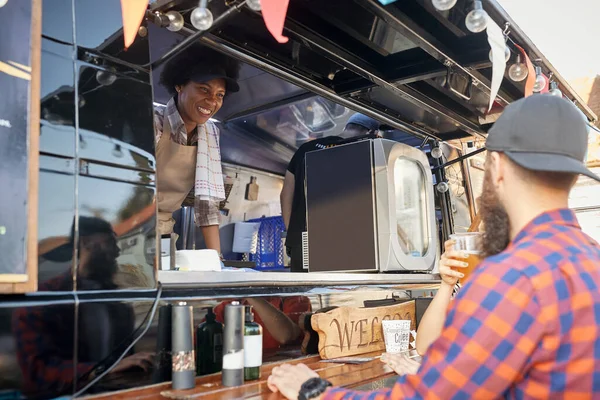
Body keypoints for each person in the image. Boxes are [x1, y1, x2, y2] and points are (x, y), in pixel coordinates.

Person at [267, 94, 600, 399]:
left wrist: (313, 390)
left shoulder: (511, 277)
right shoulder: (591, 258)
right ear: (573, 176)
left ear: (496, 167)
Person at [13, 217, 154, 398]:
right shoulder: (43, 297)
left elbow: (126, 361)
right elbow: (38, 370)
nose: (117, 251)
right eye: (110, 243)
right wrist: (101, 369)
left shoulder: (119, 304)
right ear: (86, 243)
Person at [155, 44, 240, 255]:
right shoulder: (153, 121)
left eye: (220, 95)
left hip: (164, 233)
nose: (212, 101)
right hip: (130, 229)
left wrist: (216, 261)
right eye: (204, 89)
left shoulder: (210, 133)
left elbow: (207, 206)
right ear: (179, 85)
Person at [281, 113, 381, 271]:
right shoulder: (363, 150)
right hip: (344, 244)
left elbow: (286, 192)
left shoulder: (305, 148)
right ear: (371, 133)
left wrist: (293, 231)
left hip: (302, 242)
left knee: (303, 295)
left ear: (346, 127)